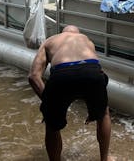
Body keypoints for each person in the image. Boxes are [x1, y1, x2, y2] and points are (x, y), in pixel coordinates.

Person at [28, 25, 113, 161]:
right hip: (91, 70)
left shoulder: (50, 41)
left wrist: (49, 104)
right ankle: (105, 158)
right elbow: (98, 73)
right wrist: (95, 108)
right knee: (104, 114)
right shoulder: (87, 40)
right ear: (78, 33)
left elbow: (33, 76)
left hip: (62, 73)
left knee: (52, 125)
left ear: (62, 33)